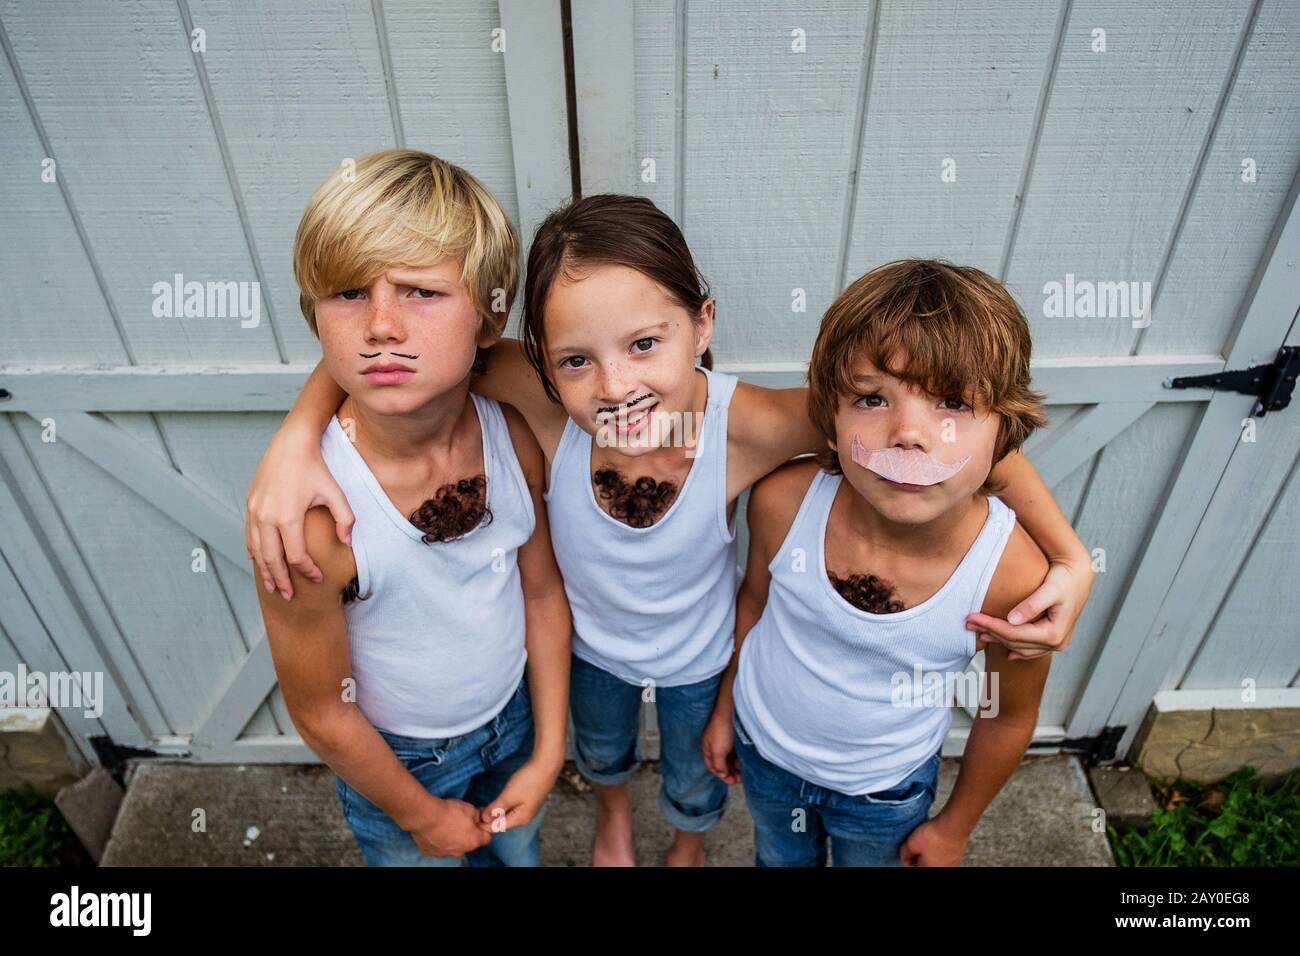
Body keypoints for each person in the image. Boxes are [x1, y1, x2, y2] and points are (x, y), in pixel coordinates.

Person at [253, 149, 570, 866]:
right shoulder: (309, 518)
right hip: (398, 765)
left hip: (511, 719)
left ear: (489, 322)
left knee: (519, 856)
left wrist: (549, 750)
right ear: (316, 319)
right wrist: (421, 814)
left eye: (421, 293)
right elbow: (322, 713)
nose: (383, 326)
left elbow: (542, 592)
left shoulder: (512, 436)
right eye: (349, 295)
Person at [704, 259, 1053, 866]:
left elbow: (1005, 716)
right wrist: (726, 710)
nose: (908, 434)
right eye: (871, 398)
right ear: (830, 425)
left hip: (884, 791)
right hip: (766, 755)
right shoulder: (783, 503)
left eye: (952, 401)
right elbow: (755, 604)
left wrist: (954, 827)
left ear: (1005, 432)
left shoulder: (1010, 576)